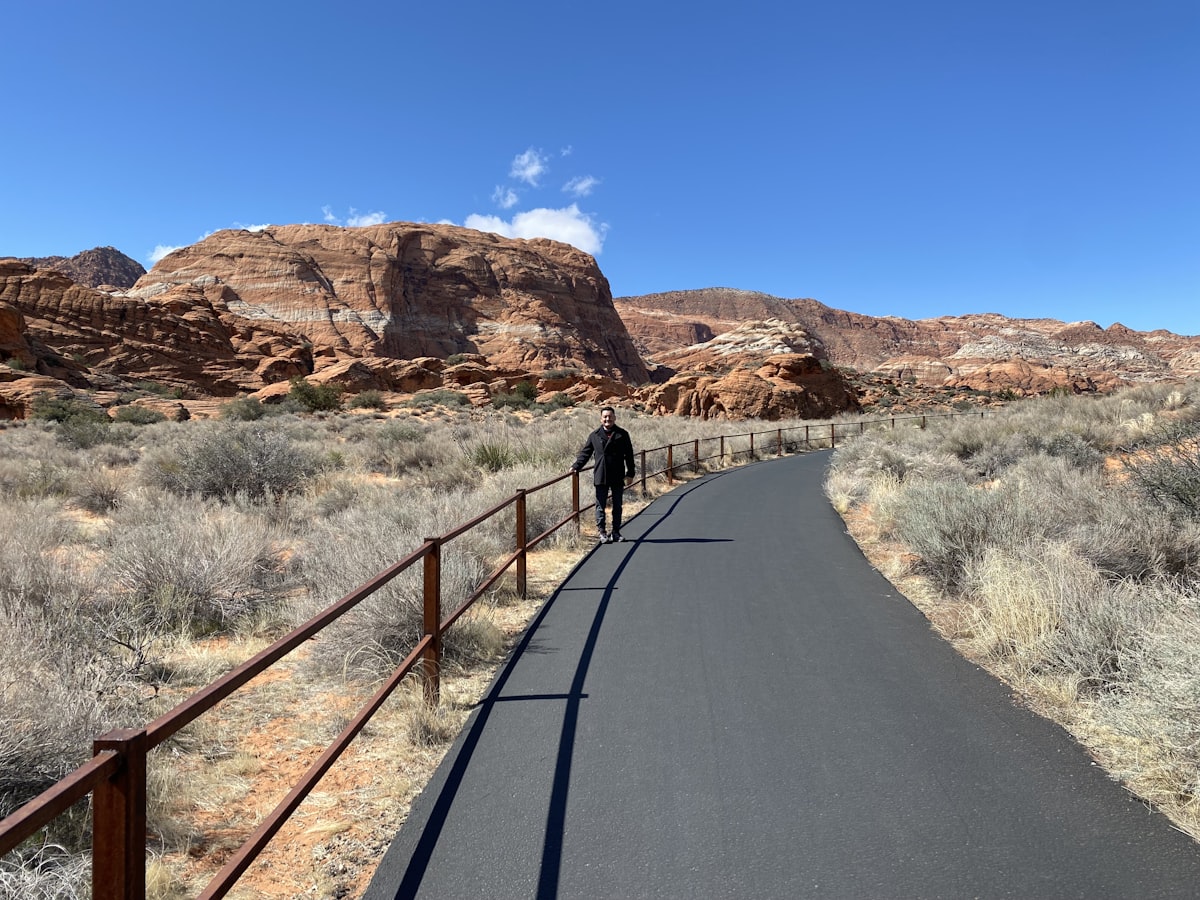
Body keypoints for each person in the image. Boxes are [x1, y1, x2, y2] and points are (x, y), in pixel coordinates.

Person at [569, 405, 636, 543]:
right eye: (605, 417)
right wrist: (576, 466)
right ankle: (602, 532)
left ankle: (616, 532)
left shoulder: (623, 434)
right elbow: (585, 453)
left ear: (615, 418)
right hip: (601, 474)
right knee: (600, 505)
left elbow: (629, 455)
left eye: (610, 416)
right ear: (601, 419)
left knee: (617, 505)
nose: (608, 419)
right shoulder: (594, 435)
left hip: (617, 474)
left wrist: (630, 473)